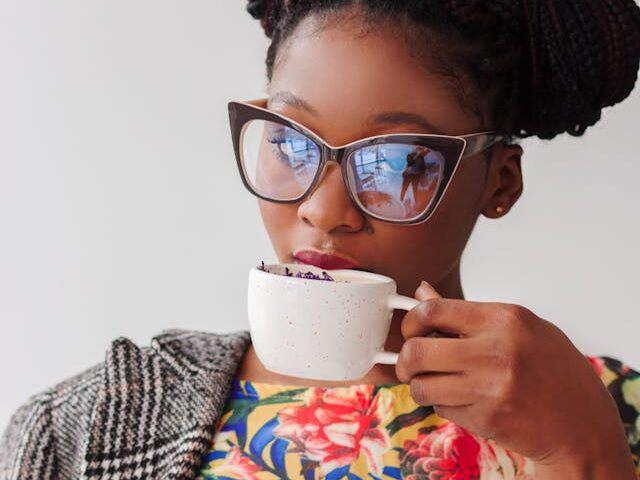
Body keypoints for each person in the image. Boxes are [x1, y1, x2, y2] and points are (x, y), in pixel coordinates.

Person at [2, 0, 640, 478]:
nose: (322, 209)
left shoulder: (605, 412)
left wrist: (582, 452)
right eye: (287, 142)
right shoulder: (77, 427)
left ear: (498, 182)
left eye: (393, 163)